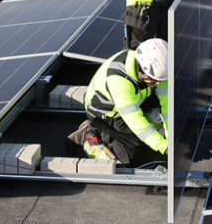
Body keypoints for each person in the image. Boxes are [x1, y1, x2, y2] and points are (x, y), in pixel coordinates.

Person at [73, 39, 171, 167]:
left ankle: (136, 135)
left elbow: (167, 105)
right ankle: (86, 136)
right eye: (154, 79)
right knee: (125, 161)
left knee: (167, 117)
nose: (158, 83)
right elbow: (134, 119)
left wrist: (171, 136)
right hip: (108, 115)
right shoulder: (119, 80)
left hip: (135, 101)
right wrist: (163, 146)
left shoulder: (156, 70)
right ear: (141, 70)